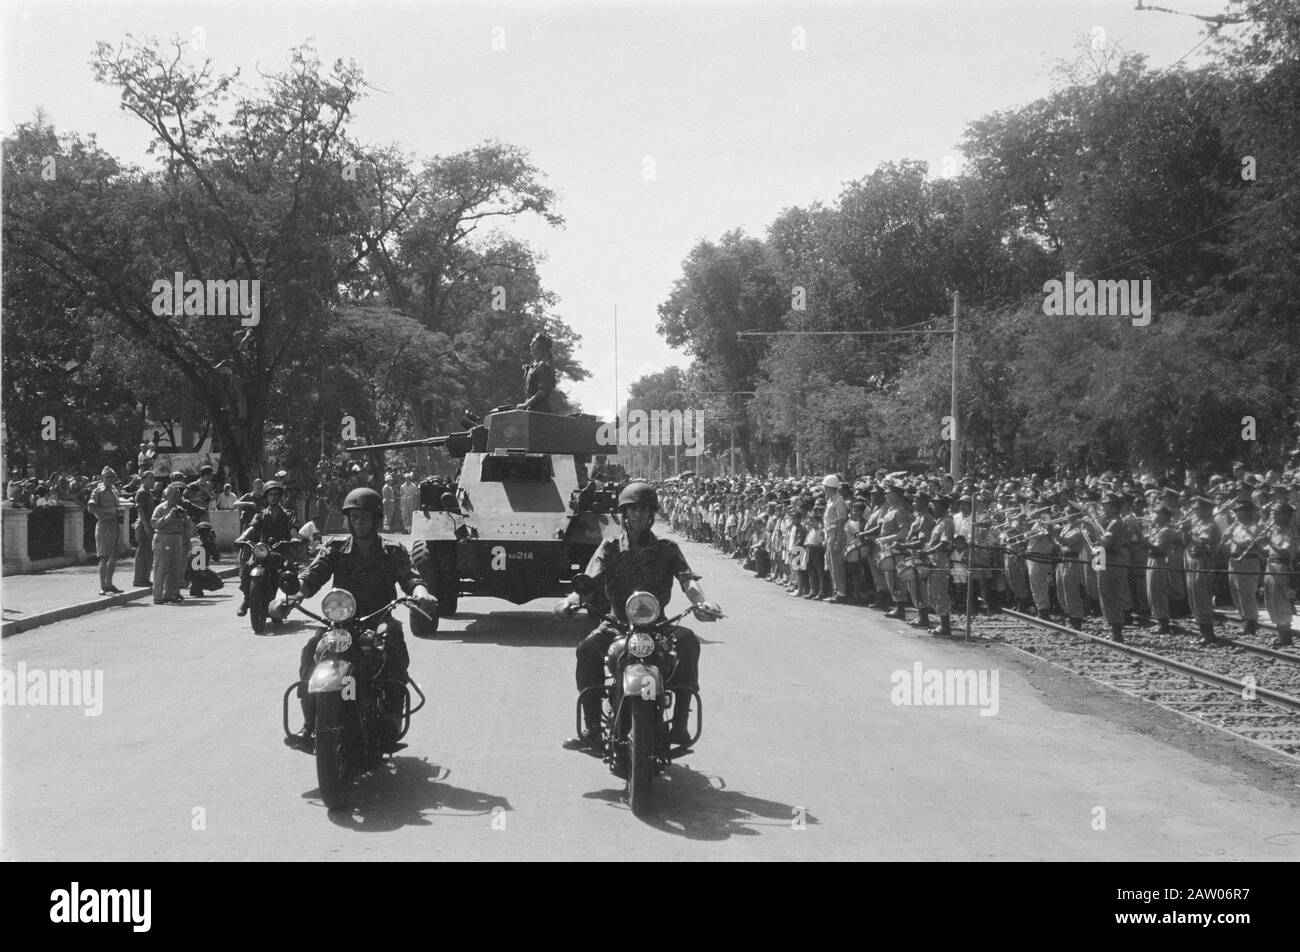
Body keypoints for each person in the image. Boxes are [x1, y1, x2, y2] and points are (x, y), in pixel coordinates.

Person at [554, 481, 722, 752]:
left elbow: (687, 581)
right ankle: (593, 728)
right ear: (624, 513)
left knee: (689, 641)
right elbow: (589, 582)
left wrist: (703, 603)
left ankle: (679, 723)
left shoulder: (668, 548)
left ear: (652, 514)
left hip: (658, 625)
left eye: (645, 510)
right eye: (633, 509)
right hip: (617, 624)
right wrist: (571, 600)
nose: (639, 515)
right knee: (587, 649)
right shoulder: (609, 548)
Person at [284, 488, 438, 751]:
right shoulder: (335, 548)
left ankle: (391, 717)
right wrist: (291, 596)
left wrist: (421, 593)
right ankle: (311, 722)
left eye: (364, 517)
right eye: (354, 517)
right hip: (341, 621)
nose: (359, 522)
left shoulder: (392, 550)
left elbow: (410, 577)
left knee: (394, 645)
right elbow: (312, 576)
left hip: (377, 618)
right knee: (311, 650)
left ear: (375, 519)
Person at [235, 480, 297, 617]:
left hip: (282, 547)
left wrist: (295, 538)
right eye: (270, 494)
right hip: (263, 549)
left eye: (276, 494)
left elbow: (292, 529)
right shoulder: (261, 514)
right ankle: (247, 599)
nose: (273, 497)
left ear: (280, 496)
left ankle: (289, 599)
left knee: (289, 569)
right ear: (266, 497)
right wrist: (242, 537)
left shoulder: (287, 514)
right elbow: (251, 527)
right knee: (247, 567)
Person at [150, 483, 192, 604]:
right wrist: (169, 516)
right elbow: (154, 524)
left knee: (175, 568)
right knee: (161, 567)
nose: (175, 498)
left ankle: (171, 594)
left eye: (177, 496)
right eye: (172, 496)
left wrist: (185, 517)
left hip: (177, 538)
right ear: (166, 496)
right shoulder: (160, 508)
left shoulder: (180, 509)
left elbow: (189, 526)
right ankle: (157, 596)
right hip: (163, 537)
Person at [87, 467, 123, 595]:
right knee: (104, 556)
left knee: (114, 556)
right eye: (107, 477)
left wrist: (117, 511)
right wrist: (107, 511)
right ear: (102, 478)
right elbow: (90, 508)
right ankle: (102, 586)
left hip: (114, 524)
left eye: (112, 477)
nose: (110, 480)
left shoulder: (114, 491)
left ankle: (109, 583)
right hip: (104, 525)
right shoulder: (98, 491)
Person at [821, 475, 849, 603]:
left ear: (831, 487)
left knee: (836, 564)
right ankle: (835, 590)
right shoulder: (830, 500)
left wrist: (837, 540)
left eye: (826, 487)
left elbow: (840, 521)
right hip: (829, 533)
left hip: (836, 533)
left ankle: (841, 592)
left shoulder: (839, 500)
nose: (824, 489)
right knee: (831, 563)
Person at [518, 331, 557, 413]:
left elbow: (543, 391)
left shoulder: (543, 366)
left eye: (533, 343)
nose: (530, 345)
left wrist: (526, 404)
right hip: (532, 410)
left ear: (541, 347)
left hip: (540, 412)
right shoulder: (535, 365)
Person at [133, 472, 157, 589]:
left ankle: (145, 578)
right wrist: (146, 526)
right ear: (143, 479)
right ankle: (138, 579)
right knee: (142, 552)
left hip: (150, 525)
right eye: (150, 478)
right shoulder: (141, 492)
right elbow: (140, 510)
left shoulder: (149, 493)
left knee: (149, 553)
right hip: (143, 525)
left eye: (153, 478)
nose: (152, 481)